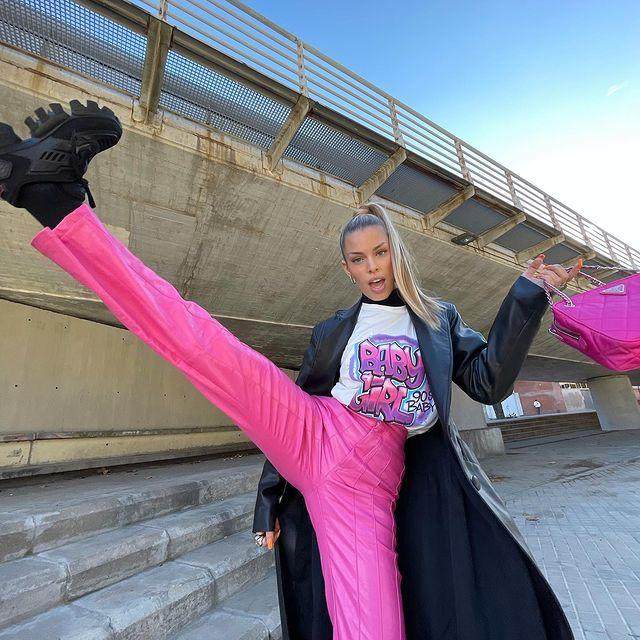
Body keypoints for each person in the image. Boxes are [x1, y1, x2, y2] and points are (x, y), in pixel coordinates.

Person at [0, 101, 580, 640]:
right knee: (193, 336)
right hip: (314, 427)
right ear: (347, 268)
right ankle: (54, 199)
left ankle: (50, 197)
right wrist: (267, 499)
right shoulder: (334, 329)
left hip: (366, 484)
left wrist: (527, 295)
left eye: (381, 253)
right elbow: (297, 404)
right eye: (359, 259)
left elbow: (489, 382)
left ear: (397, 253)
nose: (373, 267)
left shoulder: (437, 318)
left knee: (374, 626)